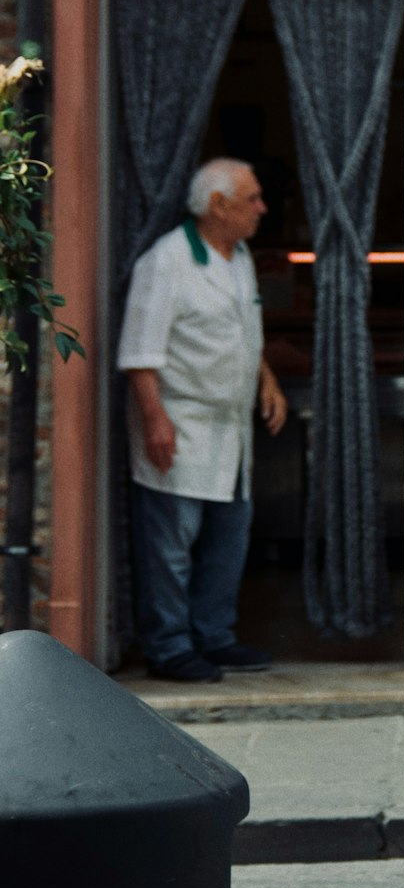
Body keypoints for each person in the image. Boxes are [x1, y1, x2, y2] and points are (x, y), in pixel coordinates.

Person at [118, 158, 288, 683]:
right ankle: (168, 647)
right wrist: (155, 422)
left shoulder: (239, 259)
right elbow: (139, 354)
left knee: (227, 540)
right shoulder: (165, 262)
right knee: (170, 547)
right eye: (252, 198)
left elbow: (242, 331)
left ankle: (214, 636)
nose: (262, 208)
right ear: (218, 205)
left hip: (231, 428)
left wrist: (267, 379)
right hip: (181, 423)